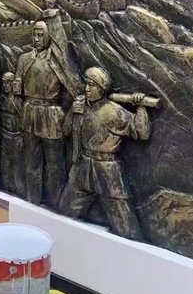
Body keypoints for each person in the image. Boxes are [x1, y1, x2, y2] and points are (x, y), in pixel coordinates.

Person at [59, 67, 151, 241]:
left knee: (125, 225)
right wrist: (72, 112)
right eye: (86, 84)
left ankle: (135, 249)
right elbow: (66, 131)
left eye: (92, 85)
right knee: (65, 212)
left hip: (107, 172)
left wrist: (140, 108)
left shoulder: (113, 111)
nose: (87, 88)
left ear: (102, 88)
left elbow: (141, 133)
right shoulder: (81, 106)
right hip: (83, 167)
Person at [14, 0, 82, 207]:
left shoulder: (57, 59)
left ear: (48, 36)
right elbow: (16, 91)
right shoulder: (24, 59)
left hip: (51, 116)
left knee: (55, 163)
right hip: (29, 113)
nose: (36, 38)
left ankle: (56, 204)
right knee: (31, 162)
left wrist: (52, 10)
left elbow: (61, 41)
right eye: (34, 34)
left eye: (41, 35)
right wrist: (21, 110)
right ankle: (32, 200)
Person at [0, 72, 24, 195]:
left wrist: (22, 138)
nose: (5, 85)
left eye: (8, 83)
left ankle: (19, 190)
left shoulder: (17, 101)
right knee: (5, 164)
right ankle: (4, 188)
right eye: (4, 83)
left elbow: (23, 120)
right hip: (5, 136)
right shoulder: (2, 98)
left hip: (16, 137)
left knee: (17, 166)